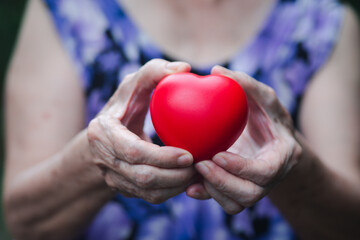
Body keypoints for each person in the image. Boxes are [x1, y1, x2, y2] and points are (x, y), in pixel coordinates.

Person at [3, 0, 360, 239]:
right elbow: (24, 223)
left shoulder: (321, 23)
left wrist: (292, 165)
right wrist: (97, 158)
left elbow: (350, 225)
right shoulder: (68, 11)